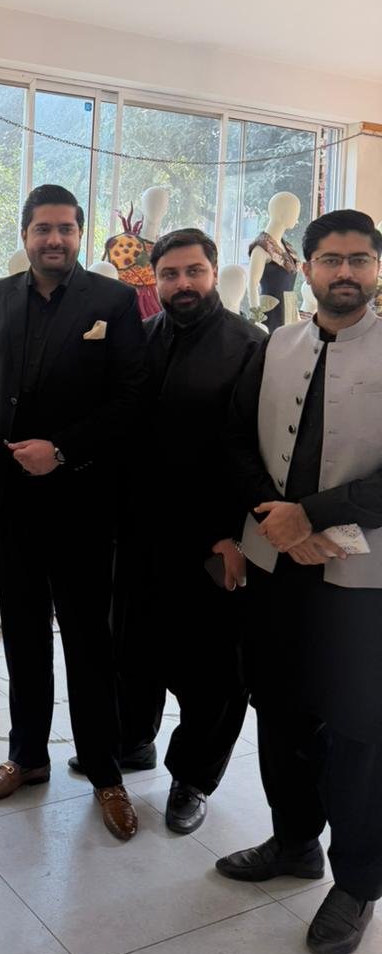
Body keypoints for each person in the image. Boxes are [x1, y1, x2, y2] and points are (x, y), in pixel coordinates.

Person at [0, 184, 147, 840]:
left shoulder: (113, 302)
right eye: (44, 228)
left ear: (80, 233)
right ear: (25, 234)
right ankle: (28, 757)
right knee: (22, 637)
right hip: (11, 501)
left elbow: (131, 399)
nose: (55, 239)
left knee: (89, 643)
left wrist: (62, 450)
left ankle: (104, 772)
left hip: (83, 502)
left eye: (66, 228)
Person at [217, 209, 382, 954]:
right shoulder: (276, 343)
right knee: (280, 708)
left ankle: (359, 883)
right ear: (306, 267)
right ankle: (292, 843)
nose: (344, 272)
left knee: (358, 730)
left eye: (359, 259)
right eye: (330, 259)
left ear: (375, 268)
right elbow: (235, 441)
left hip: (363, 574)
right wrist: (275, 517)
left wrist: (312, 514)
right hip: (277, 564)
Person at [109, 228, 263, 834]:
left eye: (193, 271)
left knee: (213, 671)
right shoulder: (141, 338)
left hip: (212, 537)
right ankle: (133, 742)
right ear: (155, 279)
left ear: (214, 272)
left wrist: (231, 535)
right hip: (140, 529)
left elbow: (252, 452)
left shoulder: (250, 346)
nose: (183, 284)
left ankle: (193, 778)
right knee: (134, 649)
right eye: (169, 274)